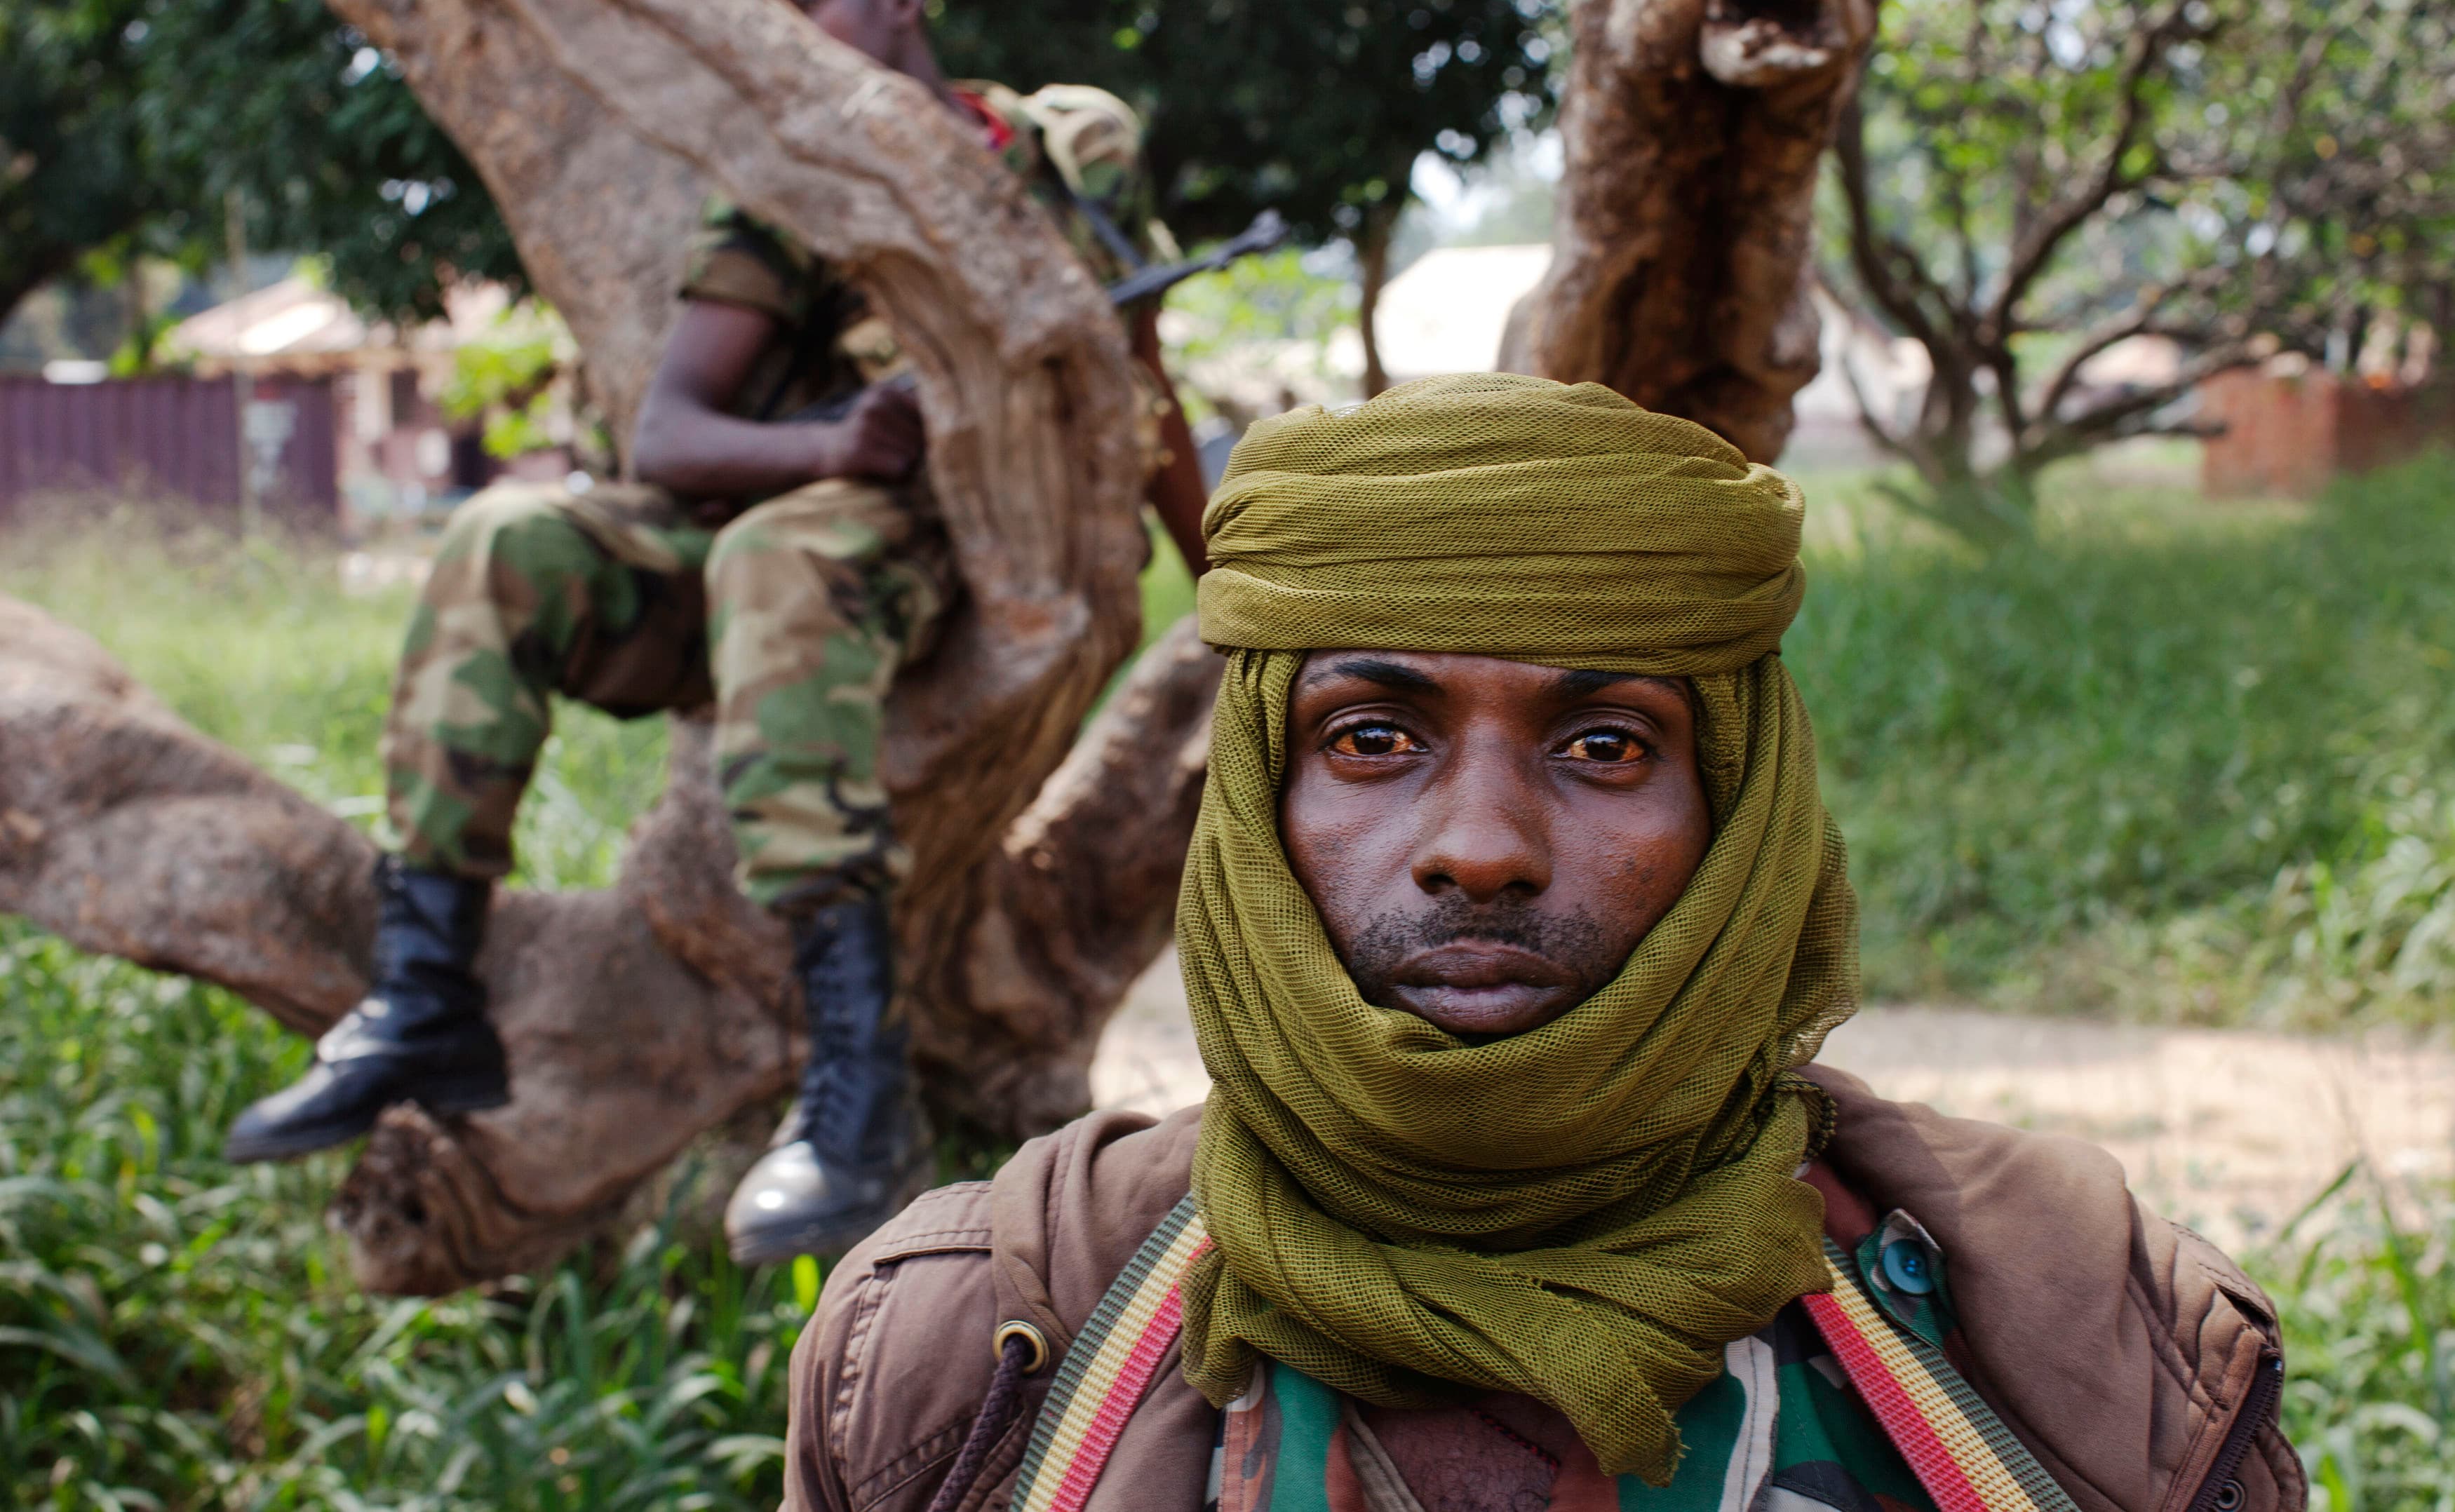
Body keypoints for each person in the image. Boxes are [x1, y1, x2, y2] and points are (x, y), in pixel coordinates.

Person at [779, 375, 2303, 1512]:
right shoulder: (957, 1348)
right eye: (1372, 737)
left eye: (1604, 746)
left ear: (1741, 812)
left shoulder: (2104, 1348)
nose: (1484, 849)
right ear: (1252, 795)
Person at [222, 0, 1213, 1269]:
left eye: (808, 4)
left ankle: (859, 1097)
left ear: (905, 4)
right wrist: (830, 440)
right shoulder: (785, 193)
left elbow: (1141, 386)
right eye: (758, 16)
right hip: (789, 536)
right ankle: (424, 988)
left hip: (949, 551)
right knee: (507, 539)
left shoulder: (1051, 152)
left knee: (778, 554)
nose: (779, 44)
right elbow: (673, 433)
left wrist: (1228, 575)